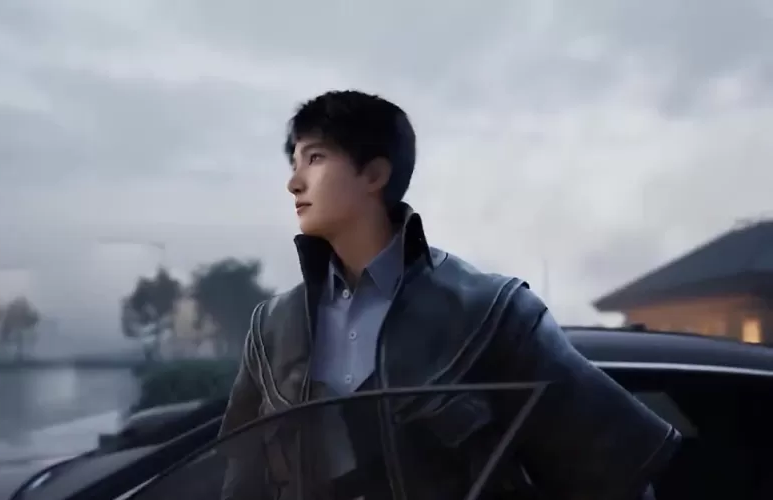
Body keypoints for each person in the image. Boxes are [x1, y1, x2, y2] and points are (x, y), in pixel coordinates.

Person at [218, 90, 679, 500]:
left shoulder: (491, 314)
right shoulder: (272, 329)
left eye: (315, 158)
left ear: (374, 173)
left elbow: (614, 473)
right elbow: (238, 481)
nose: (294, 182)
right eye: (294, 163)